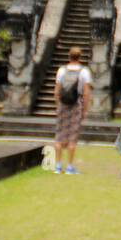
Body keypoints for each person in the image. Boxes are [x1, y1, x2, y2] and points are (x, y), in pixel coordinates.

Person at [53, 46, 92, 175]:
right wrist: (85, 110)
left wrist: (57, 104)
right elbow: (86, 93)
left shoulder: (61, 70)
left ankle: (58, 166)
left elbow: (56, 91)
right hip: (76, 104)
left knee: (59, 135)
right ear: (80, 57)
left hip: (63, 105)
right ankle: (69, 166)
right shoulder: (84, 71)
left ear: (69, 56)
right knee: (72, 137)